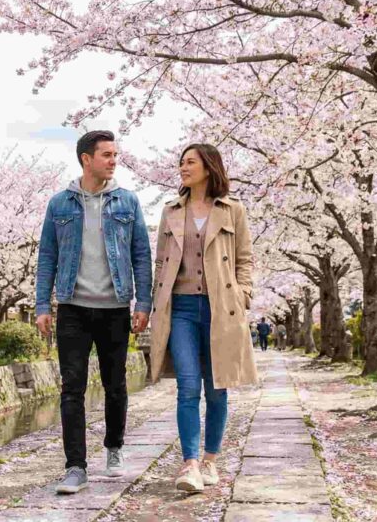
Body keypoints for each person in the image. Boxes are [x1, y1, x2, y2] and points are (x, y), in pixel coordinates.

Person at [35, 130, 152, 494]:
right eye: (107, 155)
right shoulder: (60, 204)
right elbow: (47, 256)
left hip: (115, 307)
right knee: (72, 388)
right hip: (72, 307)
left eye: (116, 155)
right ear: (87, 159)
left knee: (115, 386)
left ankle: (114, 447)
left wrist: (143, 303)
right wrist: (43, 305)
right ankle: (75, 467)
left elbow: (141, 255)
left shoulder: (127, 202)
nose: (113, 161)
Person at [149, 143, 258, 493]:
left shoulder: (233, 210)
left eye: (190, 162)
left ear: (209, 168)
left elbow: (245, 259)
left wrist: (243, 294)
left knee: (217, 388)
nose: (183, 167)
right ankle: (190, 464)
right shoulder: (170, 211)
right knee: (188, 387)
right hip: (180, 308)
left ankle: (210, 461)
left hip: (220, 309)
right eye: (181, 161)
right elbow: (160, 263)